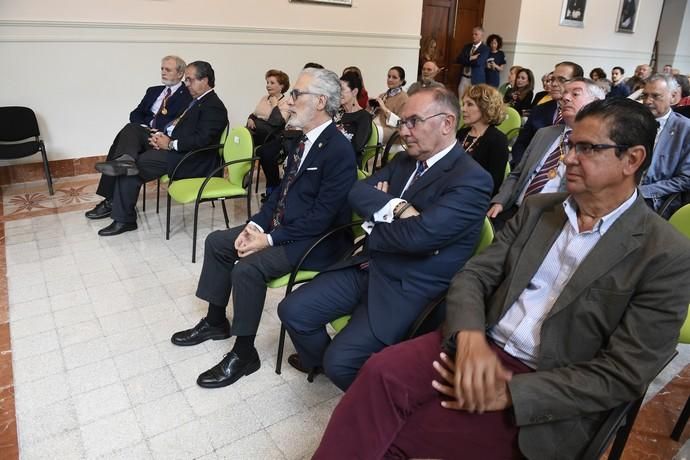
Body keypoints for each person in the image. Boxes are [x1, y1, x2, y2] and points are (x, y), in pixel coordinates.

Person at [312, 96, 690, 460]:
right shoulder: (540, 210)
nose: (568, 159)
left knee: (403, 434)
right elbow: (474, 275)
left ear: (632, 159)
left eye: (587, 148)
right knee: (379, 373)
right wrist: (471, 337)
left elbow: (625, 372)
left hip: (546, 379)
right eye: (569, 146)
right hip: (479, 343)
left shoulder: (665, 253)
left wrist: (514, 392)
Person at [277, 86, 493, 391]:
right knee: (292, 311)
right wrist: (398, 205)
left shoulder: (472, 179)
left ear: (446, 123)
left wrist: (375, 220)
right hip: (370, 264)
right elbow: (357, 191)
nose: (403, 132)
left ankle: (368, 393)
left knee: (342, 362)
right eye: (402, 122)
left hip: (408, 286)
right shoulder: (406, 161)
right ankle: (320, 362)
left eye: (412, 122)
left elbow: (419, 237)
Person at [170, 68, 358, 389]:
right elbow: (279, 194)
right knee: (218, 241)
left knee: (247, 268)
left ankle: (244, 354)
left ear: (322, 102)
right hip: (285, 228)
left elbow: (321, 218)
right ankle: (216, 322)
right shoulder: (304, 140)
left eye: (297, 94)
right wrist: (256, 224)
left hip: (316, 242)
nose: (290, 100)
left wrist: (268, 239)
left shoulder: (338, 150)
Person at [90, 60, 228, 236]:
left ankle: (124, 219)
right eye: (186, 80)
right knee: (131, 130)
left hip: (191, 160)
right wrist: (161, 138)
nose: (187, 84)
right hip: (176, 148)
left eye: (190, 80)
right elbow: (181, 129)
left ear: (205, 80)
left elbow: (202, 140)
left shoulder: (214, 106)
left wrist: (169, 144)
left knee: (137, 165)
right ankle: (125, 161)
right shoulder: (198, 101)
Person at [85, 55, 192, 221]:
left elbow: (180, 123)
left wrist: (158, 133)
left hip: (162, 139)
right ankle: (114, 193)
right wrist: (146, 126)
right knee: (128, 134)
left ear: (180, 74)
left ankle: (111, 200)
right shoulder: (153, 91)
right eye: (162, 69)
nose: (163, 72)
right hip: (142, 133)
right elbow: (135, 114)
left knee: (122, 146)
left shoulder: (188, 95)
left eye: (168, 70)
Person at [488, 78, 605, 230]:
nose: (565, 98)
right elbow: (517, 174)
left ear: (595, 103)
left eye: (575, 94)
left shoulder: (598, 146)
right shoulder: (545, 134)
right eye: (564, 94)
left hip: (550, 222)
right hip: (514, 211)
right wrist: (500, 201)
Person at [510, 61, 584, 167]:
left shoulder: (583, 116)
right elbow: (520, 144)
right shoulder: (538, 110)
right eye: (553, 79)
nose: (553, 84)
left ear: (577, 83)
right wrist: (523, 167)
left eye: (562, 80)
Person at [639, 73, 690, 217]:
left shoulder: (685, 129)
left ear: (673, 97)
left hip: (657, 201)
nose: (648, 101)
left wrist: (644, 191)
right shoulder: (633, 123)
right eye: (645, 95)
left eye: (656, 96)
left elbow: (686, 179)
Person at [457, 84, 510, 195]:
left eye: (469, 104)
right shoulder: (461, 134)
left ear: (485, 107)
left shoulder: (498, 140)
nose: (463, 109)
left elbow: (493, 183)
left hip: (473, 197)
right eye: (463, 104)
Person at [246, 69, 290, 147]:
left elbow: (278, 124)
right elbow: (254, 114)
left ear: (281, 86)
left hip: (269, 139)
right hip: (254, 133)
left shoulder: (286, 102)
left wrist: (274, 105)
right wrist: (250, 119)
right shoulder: (264, 98)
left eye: (272, 83)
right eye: (267, 82)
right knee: (237, 138)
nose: (268, 85)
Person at [335, 71, 373, 159]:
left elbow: (357, 147)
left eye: (342, 90)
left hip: (347, 162)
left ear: (354, 92)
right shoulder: (337, 113)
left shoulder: (363, 117)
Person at [371, 66, 408, 143]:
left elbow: (400, 123)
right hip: (377, 127)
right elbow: (373, 117)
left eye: (394, 77)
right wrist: (370, 107)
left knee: (370, 132)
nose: (390, 79)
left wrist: (384, 108)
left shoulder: (404, 98)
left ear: (401, 81)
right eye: (389, 76)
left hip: (394, 134)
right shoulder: (382, 95)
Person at [456, 26, 490, 97]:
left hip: (476, 79)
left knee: (473, 101)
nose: (473, 36)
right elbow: (459, 59)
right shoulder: (467, 46)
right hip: (464, 78)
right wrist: (471, 58)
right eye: (472, 34)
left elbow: (478, 62)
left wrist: (465, 59)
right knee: (461, 100)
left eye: (476, 34)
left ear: (482, 36)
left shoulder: (485, 49)